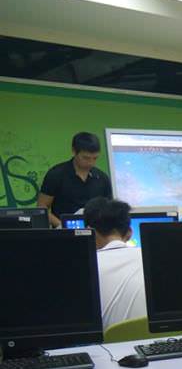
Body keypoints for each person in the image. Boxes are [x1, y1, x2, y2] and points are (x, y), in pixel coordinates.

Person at [84, 197, 146, 330]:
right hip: (164, 339)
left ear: (89, 232)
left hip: (107, 341)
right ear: (129, 233)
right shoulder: (151, 257)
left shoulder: (85, 266)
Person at [37, 132, 113, 229]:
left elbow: (109, 209)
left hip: (96, 233)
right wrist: (62, 225)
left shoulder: (102, 178)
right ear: (74, 151)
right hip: (64, 232)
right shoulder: (56, 174)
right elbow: (41, 207)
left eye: (95, 158)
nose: (91, 163)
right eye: (86, 158)